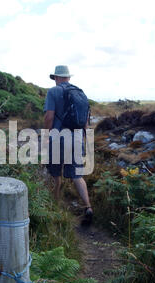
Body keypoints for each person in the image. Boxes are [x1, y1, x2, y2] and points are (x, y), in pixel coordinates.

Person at [43, 65, 93, 226]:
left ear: (56, 78)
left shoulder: (53, 92)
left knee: (55, 174)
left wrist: (47, 135)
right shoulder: (80, 92)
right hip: (77, 136)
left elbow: (49, 116)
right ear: (68, 77)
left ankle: (55, 208)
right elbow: (85, 121)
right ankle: (88, 207)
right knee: (77, 175)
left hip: (59, 136)